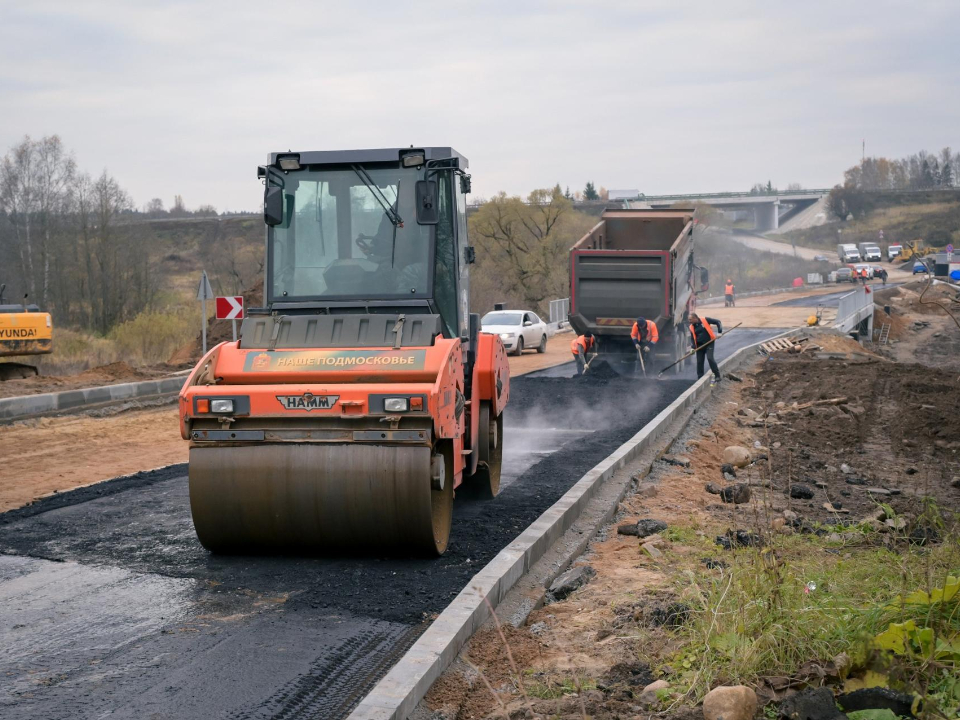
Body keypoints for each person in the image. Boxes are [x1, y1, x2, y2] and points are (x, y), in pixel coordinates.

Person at [688, 313, 723, 385]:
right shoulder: (691, 327)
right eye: (689, 319)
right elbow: (692, 338)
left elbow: (718, 322)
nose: (689, 321)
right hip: (699, 346)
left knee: (710, 358)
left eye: (690, 319)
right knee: (699, 362)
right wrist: (693, 347)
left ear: (695, 318)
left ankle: (717, 376)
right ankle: (700, 378)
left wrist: (719, 332)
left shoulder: (705, 320)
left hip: (709, 343)